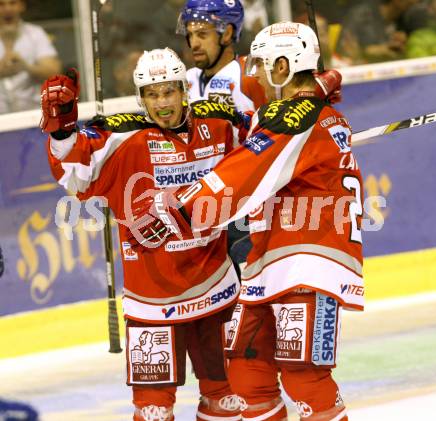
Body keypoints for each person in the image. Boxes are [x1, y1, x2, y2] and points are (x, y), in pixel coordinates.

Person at [128, 22, 361, 421]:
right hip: (270, 264)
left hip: (307, 261)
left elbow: (242, 173)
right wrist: (318, 90)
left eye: (261, 64)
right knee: (246, 371)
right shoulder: (303, 112)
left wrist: (179, 208)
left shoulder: (296, 117)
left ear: (284, 66)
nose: (252, 73)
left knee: (305, 377)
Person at [41, 48, 249, 421]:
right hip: (152, 302)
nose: (162, 103)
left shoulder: (220, 122)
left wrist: (307, 101)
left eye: (169, 91)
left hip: (216, 288)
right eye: (152, 94)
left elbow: (265, 140)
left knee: (227, 399)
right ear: (141, 98)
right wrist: (63, 129)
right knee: (153, 411)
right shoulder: (123, 135)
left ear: (185, 89)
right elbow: (74, 172)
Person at [176, 0, 267, 275]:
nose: (194, 43)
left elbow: (281, 126)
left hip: (243, 207)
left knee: (251, 297)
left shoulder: (251, 76)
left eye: (202, 34)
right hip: (198, 209)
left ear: (227, 33)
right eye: (191, 34)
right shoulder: (182, 80)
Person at [0, 0, 61, 113]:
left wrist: (27, 67)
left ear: (21, 6)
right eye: (1, 4)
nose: (7, 9)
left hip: (32, 116)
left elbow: (54, 72)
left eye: (12, 3)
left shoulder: (35, 33)